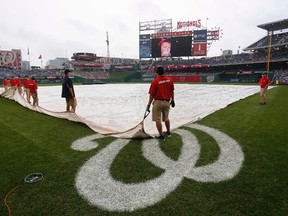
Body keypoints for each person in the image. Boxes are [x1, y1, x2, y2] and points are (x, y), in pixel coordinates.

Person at [147, 66, 175, 140]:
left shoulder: (155, 81)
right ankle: (168, 132)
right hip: (167, 102)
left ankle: (161, 136)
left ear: (156, 73)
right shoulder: (170, 80)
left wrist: (148, 105)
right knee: (166, 118)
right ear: (164, 72)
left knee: (157, 120)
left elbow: (152, 95)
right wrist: (173, 100)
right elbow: (172, 91)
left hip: (158, 102)